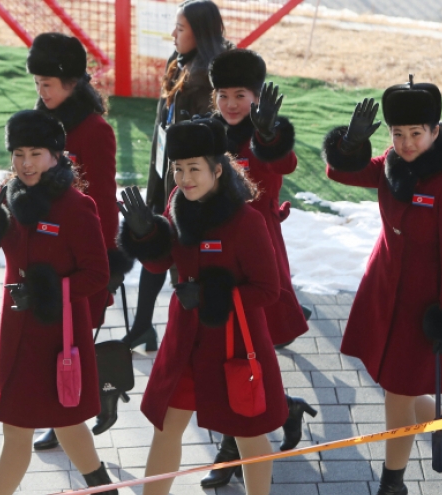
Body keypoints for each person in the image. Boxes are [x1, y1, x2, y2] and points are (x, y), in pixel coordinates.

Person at [322, 78, 442, 494]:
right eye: (398, 134)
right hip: (382, 288)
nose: (407, 143)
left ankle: (392, 482)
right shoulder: (390, 164)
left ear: (436, 131)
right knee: (399, 386)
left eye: (416, 133)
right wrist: (350, 144)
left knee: (398, 391)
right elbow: (339, 173)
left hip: (423, 306)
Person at [117, 118, 288, 495]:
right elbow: (160, 263)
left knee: (249, 435)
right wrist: (145, 234)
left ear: (218, 169)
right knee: (166, 428)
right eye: (178, 168)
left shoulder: (248, 221)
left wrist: (214, 296)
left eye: (194, 168)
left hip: (234, 346)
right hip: (186, 344)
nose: (184, 178)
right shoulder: (178, 206)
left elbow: (268, 290)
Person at [0, 110, 115, 495]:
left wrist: (48, 291)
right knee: (17, 429)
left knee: (69, 425)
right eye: (18, 153)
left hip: (59, 334)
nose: (25, 163)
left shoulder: (77, 206)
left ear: (56, 155)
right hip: (16, 331)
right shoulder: (9, 195)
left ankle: (103, 490)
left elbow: (97, 274)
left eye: (36, 154)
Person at [198, 48, 317, 489]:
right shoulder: (208, 132)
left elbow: (284, 165)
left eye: (241, 94)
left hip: (259, 249)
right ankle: (282, 409)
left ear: (257, 95)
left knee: (248, 345)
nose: (231, 103)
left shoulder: (269, 132)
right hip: (216, 254)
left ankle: (232, 451)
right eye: (223, 94)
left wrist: (267, 135)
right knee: (234, 346)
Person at [27, 31, 133, 448]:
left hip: (81, 252)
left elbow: (104, 201)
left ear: (73, 83)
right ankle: (69, 409)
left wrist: (105, 261)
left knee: (73, 338)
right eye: (36, 84)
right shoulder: (40, 122)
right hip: (44, 246)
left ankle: (79, 409)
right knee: (54, 337)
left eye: (47, 85)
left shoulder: (95, 130)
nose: (41, 92)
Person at [128, 0, 231, 352]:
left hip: (188, 185)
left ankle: (192, 338)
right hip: (165, 173)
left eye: (181, 29)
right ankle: (142, 326)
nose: (172, 34)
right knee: (154, 243)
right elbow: (164, 124)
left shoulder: (211, 79)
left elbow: (213, 144)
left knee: (180, 258)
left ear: (200, 33)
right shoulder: (179, 63)